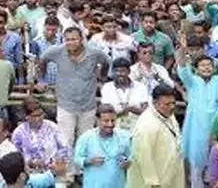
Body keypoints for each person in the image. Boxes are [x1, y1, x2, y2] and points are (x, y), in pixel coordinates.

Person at [35, 27, 109, 155]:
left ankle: (82, 171)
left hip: (87, 105)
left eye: (74, 39)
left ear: (81, 39)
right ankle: (67, 174)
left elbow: (106, 62)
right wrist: (41, 79)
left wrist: (102, 78)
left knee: (85, 141)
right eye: (67, 40)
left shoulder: (94, 53)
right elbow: (43, 60)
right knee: (65, 141)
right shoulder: (57, 51)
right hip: (65, 105)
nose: (70, 43)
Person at [176, 45, 218, 188]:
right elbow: (183, 68)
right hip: (197, 129)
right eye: (202, 65)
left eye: (209, 65)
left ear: (214, 68)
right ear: (196, 69)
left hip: (216, 129)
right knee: (197, 166)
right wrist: (184, 49)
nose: (206, 68)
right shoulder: (192, 81)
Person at [127, 84, 185, 188]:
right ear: (155, 103)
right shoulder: (146, 125)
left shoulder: (169, 115)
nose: (172, 107)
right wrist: (153, 182)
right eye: (167, 104)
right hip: (152, 182)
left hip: (171, 175)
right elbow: (143, 157)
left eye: (173, 103)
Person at [11, 98, 70, 185]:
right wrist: (30, 162)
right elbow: (15, 155)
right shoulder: (19, 132)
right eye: (34, 116)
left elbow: (65, 148)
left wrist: (56, 162)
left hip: (53, 172)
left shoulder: (52, 127)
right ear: (27, 117)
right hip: (30, 175)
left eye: (40, 115)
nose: (38, 119)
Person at [72, 104, 132, 188]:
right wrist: (89, 161)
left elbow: (132, 155)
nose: (110, 124)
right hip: (94, 184)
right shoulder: (86, 137)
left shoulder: (123, 136)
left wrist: (127, 162)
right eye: (106, 121)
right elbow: (77, 158)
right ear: (97, 120)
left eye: (113, 120)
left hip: (117, 184)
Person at [100, 57, 150, 131]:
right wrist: (123, 111)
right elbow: (105, 111)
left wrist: (131, 109)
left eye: (123, 71)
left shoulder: (140, 86)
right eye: (116, 71)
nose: (119, 74)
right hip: (114, 128)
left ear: (129, 71)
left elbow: (146, 111)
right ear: (113, 72)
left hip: (137, 127)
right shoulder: (107, 87)